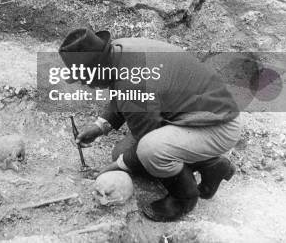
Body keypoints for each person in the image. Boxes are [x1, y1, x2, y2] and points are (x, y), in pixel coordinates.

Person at [58, 27, 241, 222]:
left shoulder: (130, 79)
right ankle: (211, 166)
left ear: (98, 67)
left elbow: (145, 138)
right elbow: (124, 93)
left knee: (149, 151)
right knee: (123, 152)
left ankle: (184, 197)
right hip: (196, 116)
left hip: (219, 125)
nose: (85, 83)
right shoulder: (120, 51)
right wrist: (100, 127)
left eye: (84, 76)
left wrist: (112, 167)